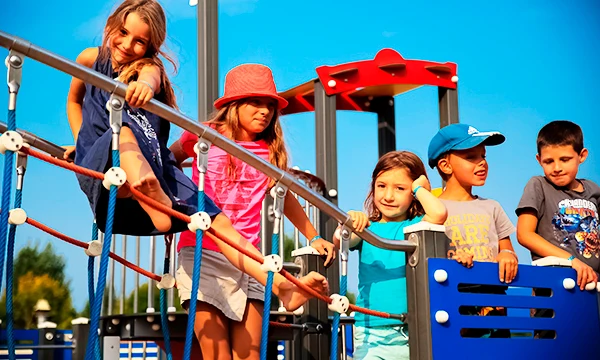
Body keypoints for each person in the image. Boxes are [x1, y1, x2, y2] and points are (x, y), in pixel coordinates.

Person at [64, 0, 328, 315]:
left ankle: (282, 287)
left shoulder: (148, 68)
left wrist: (145, 88)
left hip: (155, 164)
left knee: (221, 223)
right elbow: (74, 100)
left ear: (151, 46)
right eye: (123, 33)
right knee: (123, 131)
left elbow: (150, 78)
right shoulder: (90, 59)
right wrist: (82, 143)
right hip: (112, 151)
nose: (128, 45)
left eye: (140, 41)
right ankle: (148, 193)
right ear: (111, 25)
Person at [169, 63, 336, 360]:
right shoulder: (203, 136)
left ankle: (284, 288)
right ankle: (284, 287)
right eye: (255, 102)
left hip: (250, 260)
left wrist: (312, 237)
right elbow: (168, 159)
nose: (265, 111)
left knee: (250, 353)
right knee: (216, 353)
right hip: (202, 253)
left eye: (270, 105)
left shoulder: (269, 150)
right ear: (234, 105)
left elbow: (284, 198)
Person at [333, 151, 447, 360]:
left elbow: (439, 214)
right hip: (372, 332)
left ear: (412, 192)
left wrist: (420, 188)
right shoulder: (367, 229)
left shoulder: (416, 225)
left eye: (400, 188)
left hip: (413, 330)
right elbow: (340, 240)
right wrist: (349, 219)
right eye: (381, 186)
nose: (388, 196)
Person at [516, 120, 599, 291]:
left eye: (565, 159)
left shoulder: (593, 190)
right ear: (539, 160)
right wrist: (571, 261)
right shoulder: (538, 185)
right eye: (549, 161)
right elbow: (525, 234)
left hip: (593, 283)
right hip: (554, 283)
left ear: (582, 156)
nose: (557, 167)